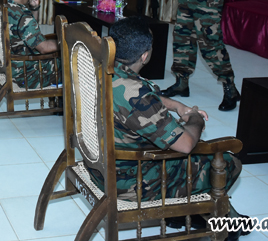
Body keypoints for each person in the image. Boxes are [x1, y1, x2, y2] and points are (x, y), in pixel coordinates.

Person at [88, 17, 246, 238]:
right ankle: (221, 223)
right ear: (145, 55)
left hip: (98, 168)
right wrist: (195, 118)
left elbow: (137, 96)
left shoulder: (98, 68)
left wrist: (176, 105)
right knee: (228, 161)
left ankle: (190, 215)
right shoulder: (138, 95)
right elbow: (186, 144)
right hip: (129, 183)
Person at [3, 0, 60, 89]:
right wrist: (66, 43)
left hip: (6, 65)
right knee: (72, 62)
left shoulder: (1, 6)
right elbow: (44, 48)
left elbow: (28, 29)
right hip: (26, 74)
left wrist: (34, 8)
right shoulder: (22, 14)